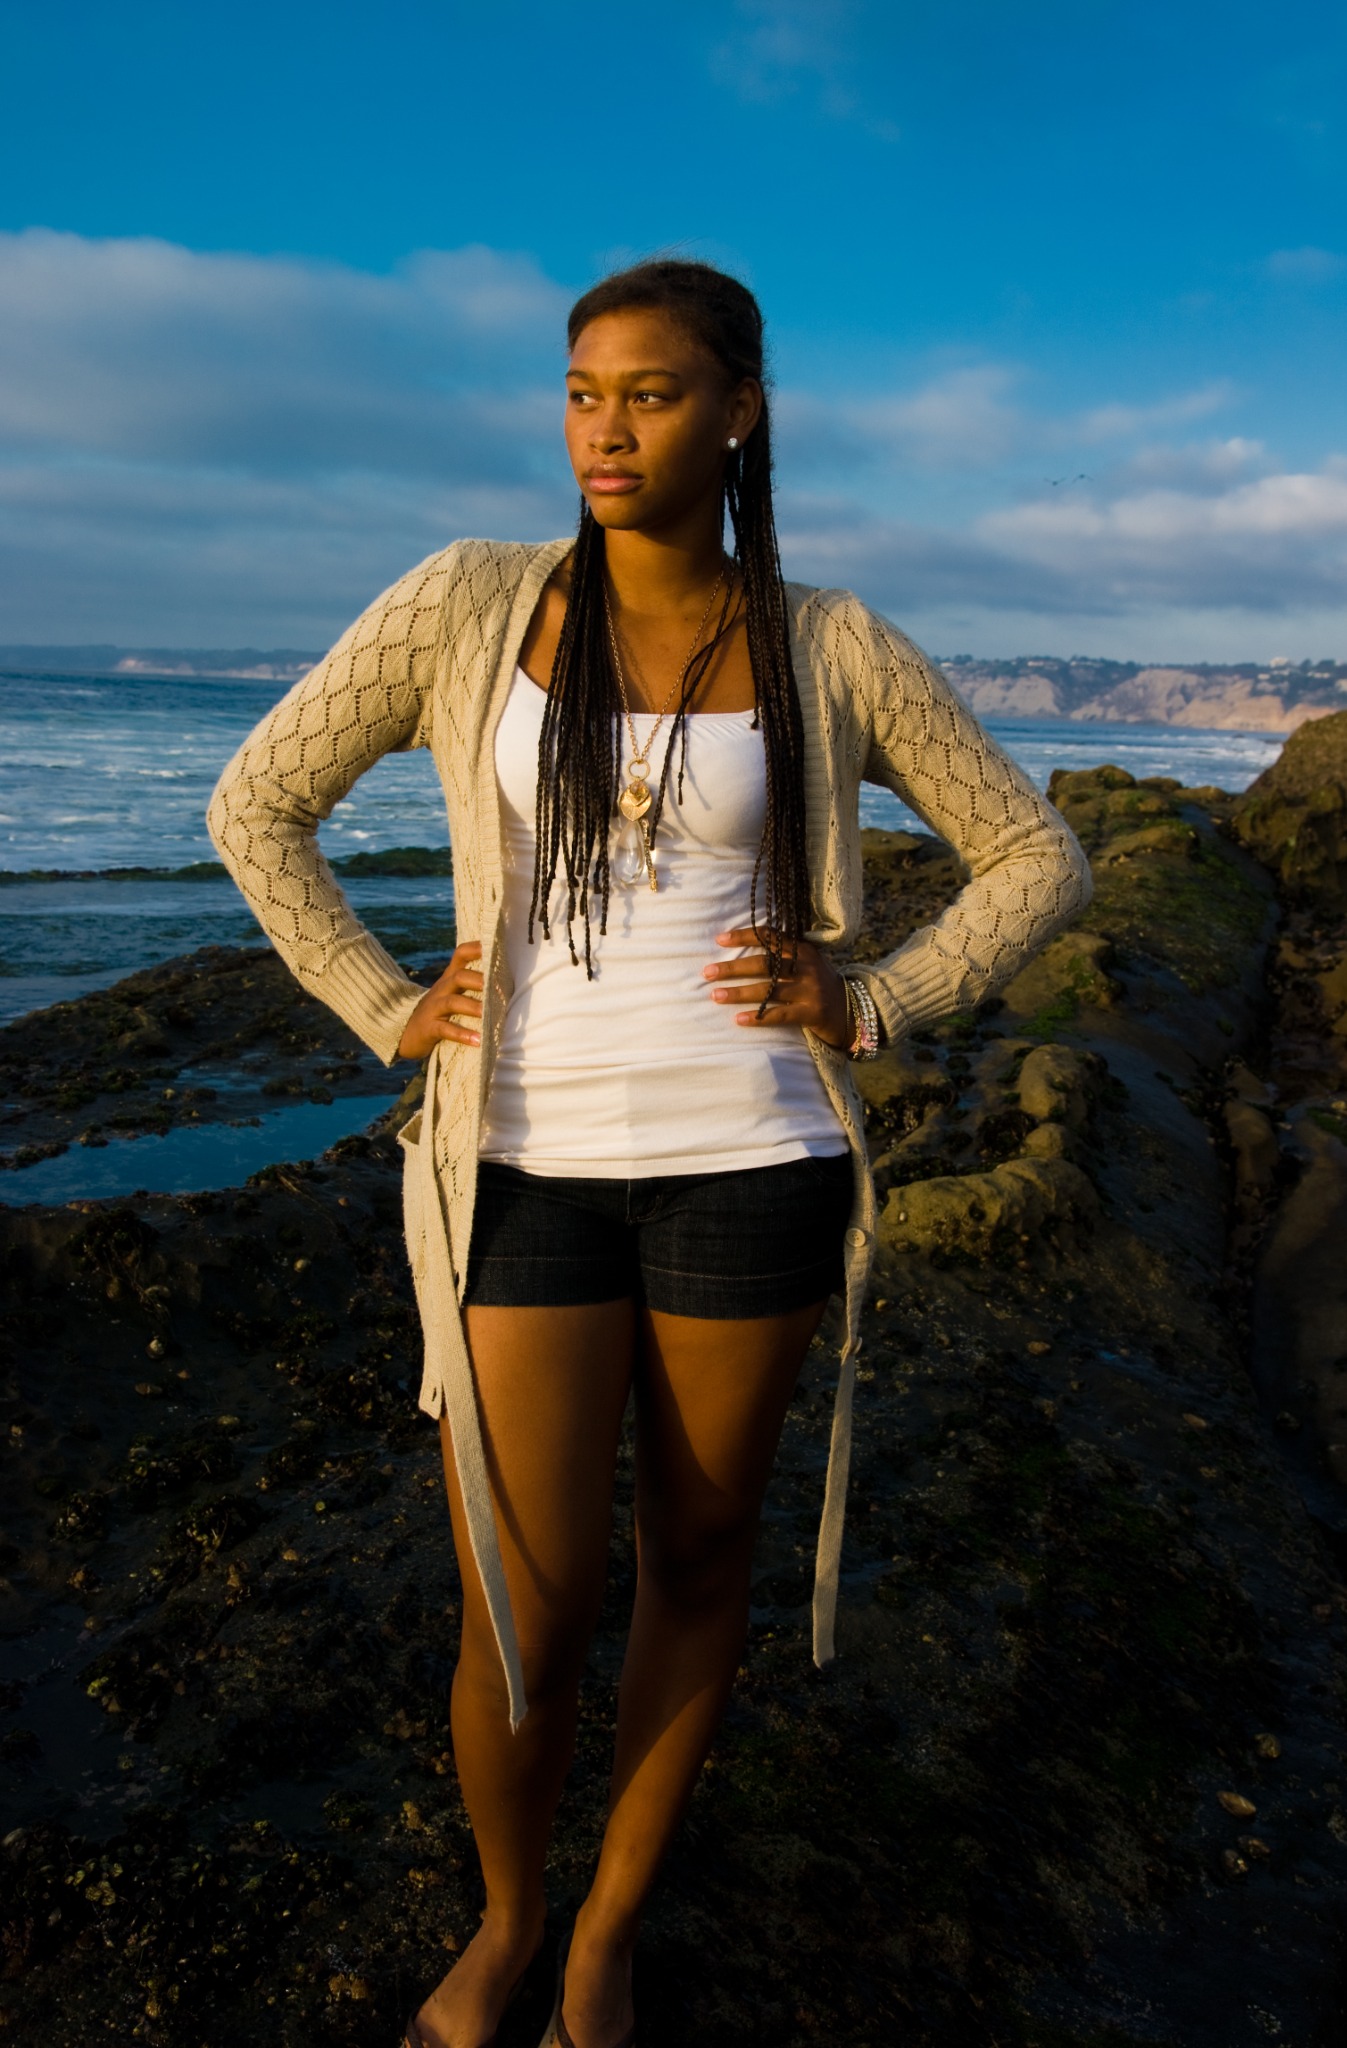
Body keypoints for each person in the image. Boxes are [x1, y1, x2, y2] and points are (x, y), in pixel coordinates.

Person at [207, 258, 1090, 2048]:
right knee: (523, 1592)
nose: (605, 429)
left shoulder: (829, 640)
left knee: (699, 1559)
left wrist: (880, 996)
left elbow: (1037, 853)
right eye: (581, 390)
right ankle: (510, 1916)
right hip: (518, 1156)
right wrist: (386, 1003)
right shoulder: (471, 602)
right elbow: (257, 802)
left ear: (741, 410)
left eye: (654, 393)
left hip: (750, 1152)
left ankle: (608, 1929)